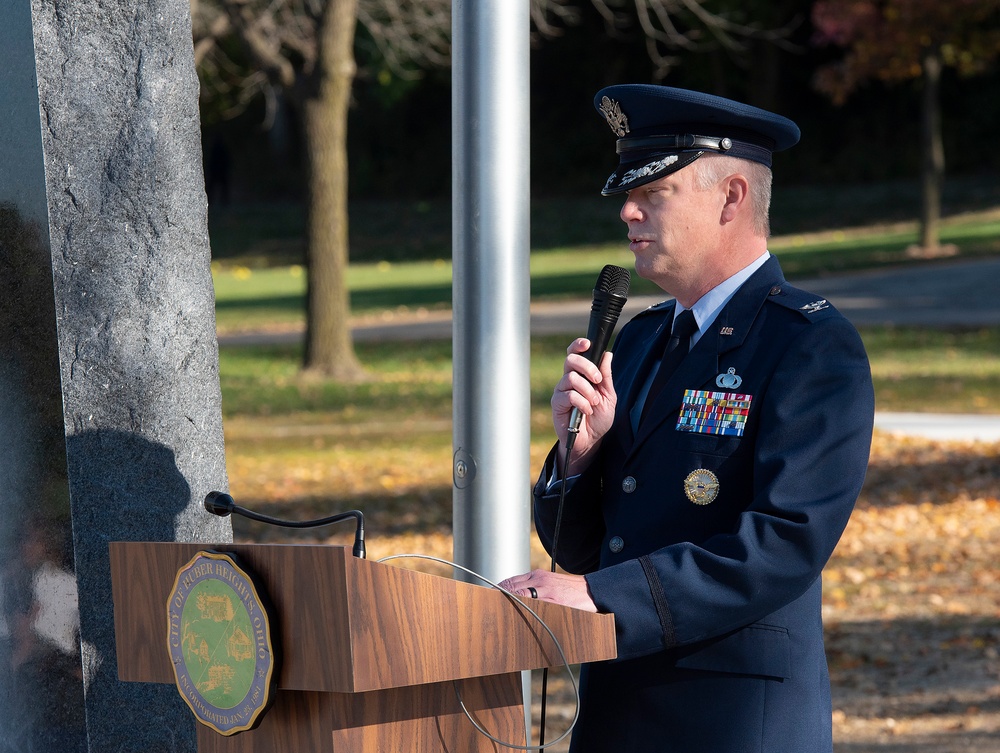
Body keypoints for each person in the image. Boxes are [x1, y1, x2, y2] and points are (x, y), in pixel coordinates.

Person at [499, 84, 875, 752]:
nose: (628, 212)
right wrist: (579, 459)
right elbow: (588, 546)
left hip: (732, 720)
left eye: (656, 192)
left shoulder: (808, 344)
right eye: (627, 193)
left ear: (731, 197)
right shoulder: (641, 341)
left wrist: (605, 596)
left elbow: (785, 540)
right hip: (619, 714)